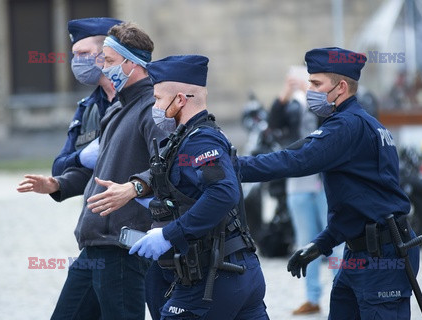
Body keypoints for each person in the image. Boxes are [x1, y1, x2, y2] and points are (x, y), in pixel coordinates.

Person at [237, 47, 419, 319]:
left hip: (382, 257)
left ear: (341, 87)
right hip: (360, 253)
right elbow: (357, 203)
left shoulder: (348, 125)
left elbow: (296, 160)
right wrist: (321, 244)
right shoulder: (356, 123)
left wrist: (232, 166)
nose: (309, 89)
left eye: (316, 83)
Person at [17, 22, 166, 319]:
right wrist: (57, 184)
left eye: (109, 61)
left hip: (124, 246)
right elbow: (98, 169)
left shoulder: (152, 108)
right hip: (95, 244)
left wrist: (135, 186)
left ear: (131, 63)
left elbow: (168, 167)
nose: (103, 68)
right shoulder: (114, 109)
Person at [125, 55, 269, 319]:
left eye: (157, 99)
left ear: (179, 99)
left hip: (213, 277)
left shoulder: (199, 141)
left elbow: (224, 192)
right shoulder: (189, 138)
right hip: (235, 270)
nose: (154, 106)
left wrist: (169, 234)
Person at [268, 65, 343, 315]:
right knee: (306, 242)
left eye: (312, 83)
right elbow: (273, 123)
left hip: (324, 184)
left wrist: (312, 98)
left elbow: (329, 123)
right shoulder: (290, 106)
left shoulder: (324, 106)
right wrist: (286, 94)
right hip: (298, 185)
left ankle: (341, 291)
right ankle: (312, 298)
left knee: (335, 240)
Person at [52, 17, 122, 176]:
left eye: (83, 53)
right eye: (75, 55)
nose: (77, 61)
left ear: (107, 53)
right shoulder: (87, 107)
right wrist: (81, 158)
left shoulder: (141, 99)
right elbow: (58, 168)